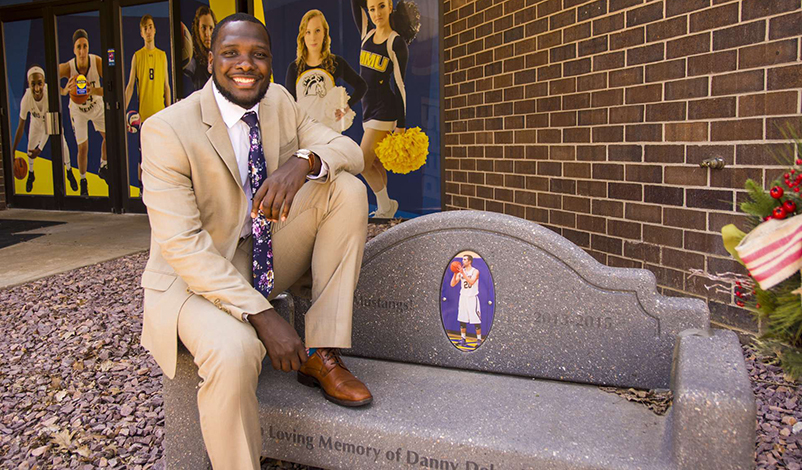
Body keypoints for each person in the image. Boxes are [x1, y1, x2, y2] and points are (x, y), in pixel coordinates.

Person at [140, 14, 371, 470]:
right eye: (231, 53)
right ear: (211, 60)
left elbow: (352, 150)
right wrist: (265, 317)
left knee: (344, 189)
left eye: (258, 54)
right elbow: (183, 246)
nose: (245, 64)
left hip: (261, 252)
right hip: (193, 280)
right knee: (236, 350)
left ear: (270, 62)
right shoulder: (167, 130)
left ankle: (321, 352)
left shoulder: (279, 102)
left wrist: (304, 161)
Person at [351, 0, 418, 218]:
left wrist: (401, 125)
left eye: (381, 6)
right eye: (371, 9)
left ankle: (386, 206)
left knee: (362, 162)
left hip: (385, 111)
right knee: (375, 164)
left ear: (390, 6)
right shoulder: (366, 34)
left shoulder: (395, 42)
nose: (376, 13)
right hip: (368, 111)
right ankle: (385, 207)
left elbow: (400, 86)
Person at [285, 9, 366, 132]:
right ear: (303, 36)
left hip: (329, 132)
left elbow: (361, 86)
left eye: (317, 31)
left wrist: (346, 107)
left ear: (324, 33)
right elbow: (289, 106)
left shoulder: (335, 62)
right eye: (308, 32)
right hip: (305, 134)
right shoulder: (294, 68)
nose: (313, 37)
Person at [124, 14, 171, 192]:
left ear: (155, 30)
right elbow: (129, 86)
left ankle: (159, 189)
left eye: (150, 27)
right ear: (141, 33)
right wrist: (122, 112)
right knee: (143, 156)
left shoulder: (162, 55)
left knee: (160, 155)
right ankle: (141, 190)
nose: (148, 31)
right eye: (145, 28)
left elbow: (166, 87)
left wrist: (169, 112)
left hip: (160, 116)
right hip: (143, 117)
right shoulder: (137, 56)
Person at [12, 65, 77, 193]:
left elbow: (49, 128)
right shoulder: (26, 99)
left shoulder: (49, 95)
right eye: (33, 84)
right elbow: (21, 126)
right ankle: (31, 173)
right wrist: (12, 150)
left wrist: (40, 149)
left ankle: (69, 171)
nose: (37, 88)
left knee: (63, 145)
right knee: (30, 148)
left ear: (44, 83)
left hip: (51, 122)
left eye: (40, 83)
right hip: (36, 124)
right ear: (29, 84)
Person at [59, 29, 107, 197]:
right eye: (78, 47)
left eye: (84, 46)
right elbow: (49, 78)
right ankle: (83, 180)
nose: (82, 50)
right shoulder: (68, 67)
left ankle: (103, 165)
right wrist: (65, 90)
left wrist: (91, 89)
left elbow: (110, 86)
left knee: (110, 137)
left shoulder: (97, 62)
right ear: (74, 49)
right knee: (83, 147)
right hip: (78, 111)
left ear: (88, 47)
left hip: (96, 106)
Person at [450, 254, 482, 347]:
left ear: (469, 261)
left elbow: (471, 282)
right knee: (462, 319)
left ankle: (479, 340)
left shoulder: (475, 271)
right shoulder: (461, 272)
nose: (462, 261)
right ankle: (463, 339)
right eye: (462, 259)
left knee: (476, 320)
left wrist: (462, 274)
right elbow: (452, 284)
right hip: (463, 297)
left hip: (472, 297)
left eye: (465, 259)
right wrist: (455, 273)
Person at [183, 6, 216, 92]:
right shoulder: (192, 60)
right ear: (197, 29)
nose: (207, 34)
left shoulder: (220, 57)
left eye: (211, 28)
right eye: (203, 28)